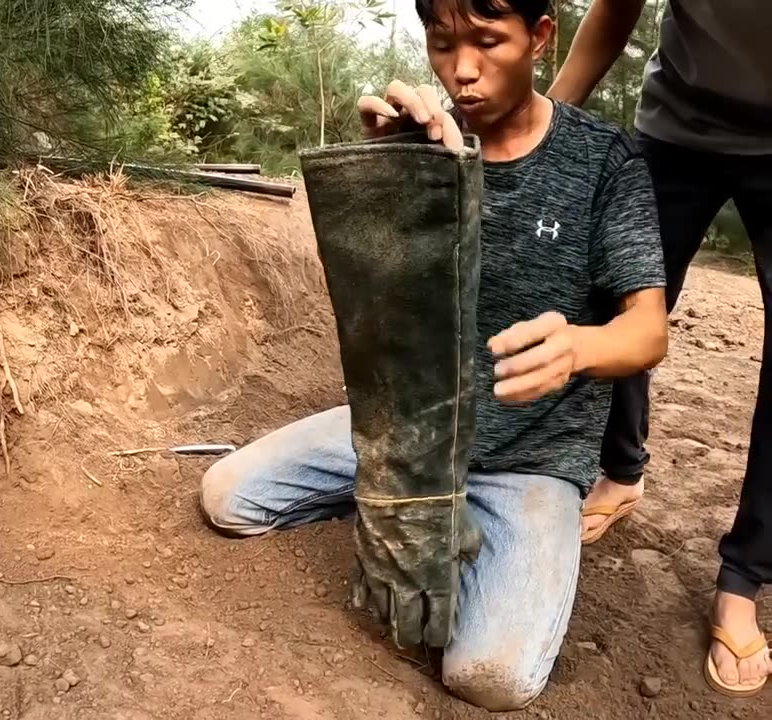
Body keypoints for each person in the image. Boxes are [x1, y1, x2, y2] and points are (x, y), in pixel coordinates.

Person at [198, 0, 669, 711]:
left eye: (488, 42)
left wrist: (578, 346)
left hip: (529, 460)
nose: (463, 70)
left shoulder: (603, 160)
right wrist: (385, 174)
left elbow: (647, 331)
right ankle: (415, 505)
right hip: (410, 429)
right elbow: (378, 297)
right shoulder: (425, 142)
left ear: (541, 38)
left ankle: (494, 531)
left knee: (490, 677)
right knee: (229, 499)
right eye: (443, 43)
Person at [549, 0, 772, 697]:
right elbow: (615, 13)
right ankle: (621, 469)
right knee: (618, 295)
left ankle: (743, 576)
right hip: (679, 122)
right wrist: (545, 121)